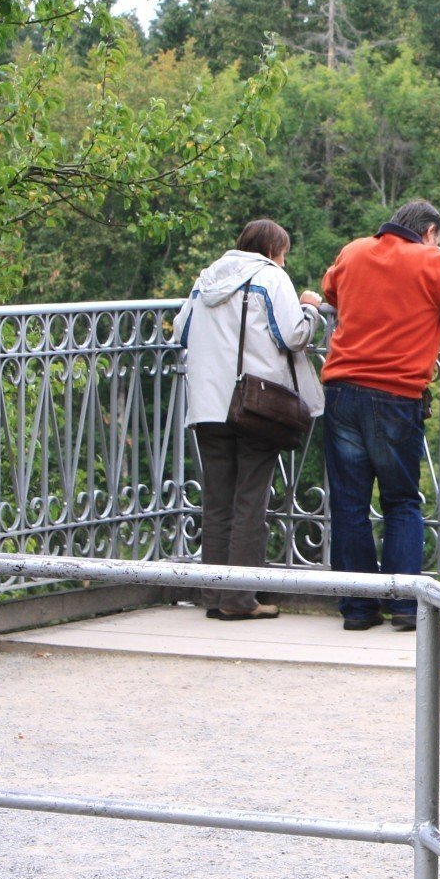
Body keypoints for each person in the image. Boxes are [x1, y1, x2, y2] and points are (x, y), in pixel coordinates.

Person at [320, 200, 440, 631]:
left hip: (343, 391)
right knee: (401, 499)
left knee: (349, 504)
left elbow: (331, 289)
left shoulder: (354, 251)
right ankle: (404, 605)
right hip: (395, 395)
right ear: (430, 232)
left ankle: (358, 609)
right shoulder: (433, 262)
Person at [173, 218, 325, 621]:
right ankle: (240, 599)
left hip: (207, 405)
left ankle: (214, 594)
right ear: (275, 250)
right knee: (249, 502)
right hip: (255, 405)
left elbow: (181, 329)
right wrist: (310, 308)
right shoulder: (270, 278)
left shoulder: (206, 279)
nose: (285, 262)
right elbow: (292, 336)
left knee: (217, 502)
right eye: (284, 255)